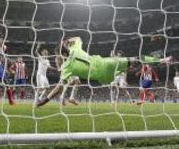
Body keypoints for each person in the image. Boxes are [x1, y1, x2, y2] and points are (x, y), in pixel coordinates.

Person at [36, 37, 172, 107]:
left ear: (61, 56)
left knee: (112, 84)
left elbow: (58, 88)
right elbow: (78, 38)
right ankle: (161, 60)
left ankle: (67, 99)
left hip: (102, 77)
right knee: (136, 59)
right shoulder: (75, 48)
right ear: (67, 48)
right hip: (106, 62)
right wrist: (67, 41)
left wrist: (45, 101)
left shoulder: (66, 67)